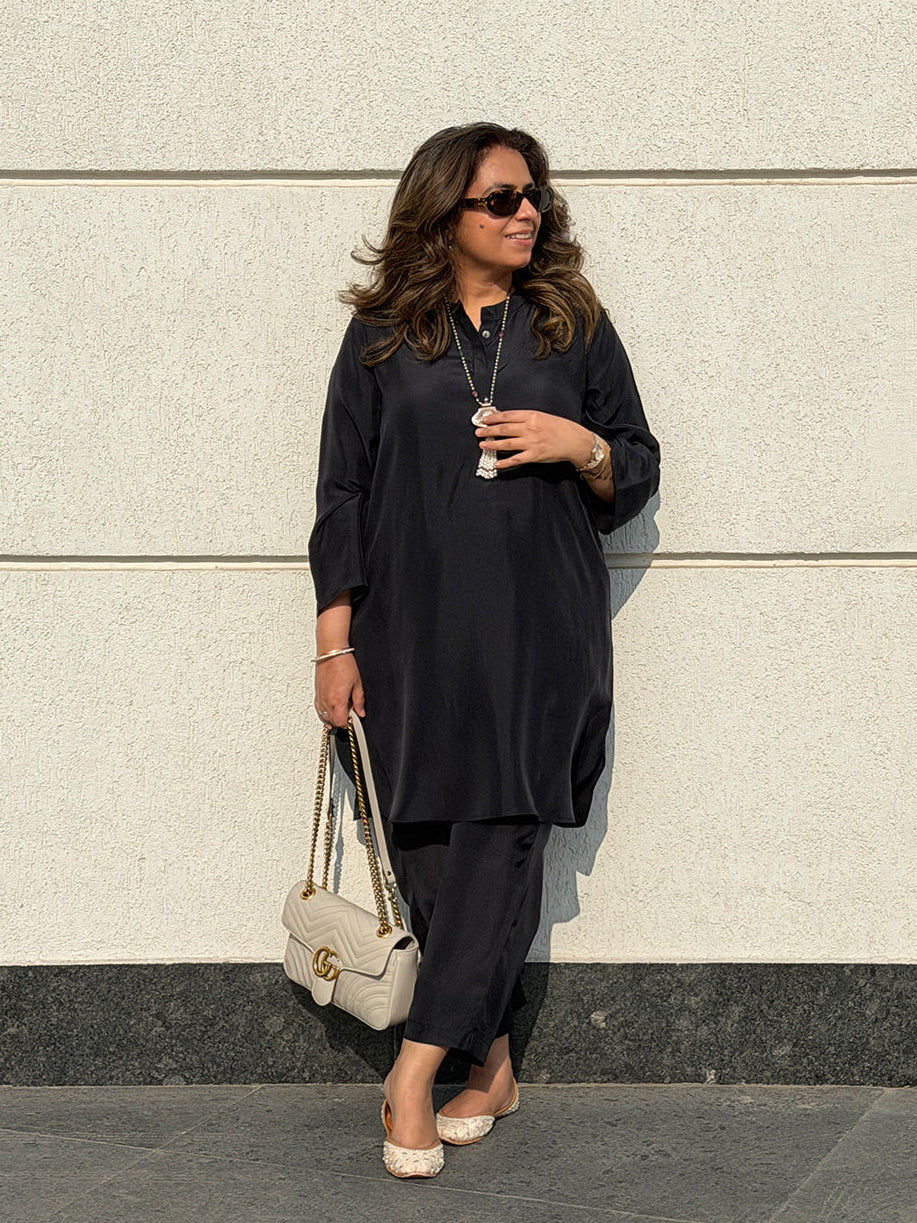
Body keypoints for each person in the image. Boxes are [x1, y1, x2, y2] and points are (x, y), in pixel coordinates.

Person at [308, 123, 660, 1178]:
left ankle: (415, 1069)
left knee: (503, 828)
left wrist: (578, 445)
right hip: (409, 633)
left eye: (534, 198)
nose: (527, 215)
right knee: (423, 841)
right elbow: (342, 491)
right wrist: (333, 644)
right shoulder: (381, 335)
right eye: (502, 199)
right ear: (442, 214)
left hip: (537, 626)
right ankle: (491, 1057)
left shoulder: (571, 325)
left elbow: (636, 464)